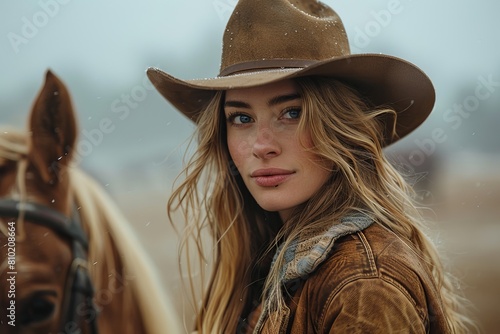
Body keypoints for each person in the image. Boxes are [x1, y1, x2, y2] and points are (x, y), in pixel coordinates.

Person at [147, 0, 476, 333]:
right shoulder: (270, 264)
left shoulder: (363, 286)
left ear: (339, 126)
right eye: (242, 118)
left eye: (291, 113)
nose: (262, 146)